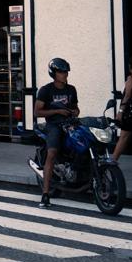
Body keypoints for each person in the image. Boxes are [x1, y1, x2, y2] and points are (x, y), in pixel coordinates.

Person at [34, 57, 79, 208]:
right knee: (52, 153)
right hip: (53, 125)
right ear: (54, 73)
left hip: (70, 124)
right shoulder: (46, 90)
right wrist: (57, 111)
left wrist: (75, 111)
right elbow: (37, 112)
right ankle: (45, 194)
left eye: (66, 71)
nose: (65, 74)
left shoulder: (71, 89)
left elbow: (76, 108)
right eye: (61, 72)